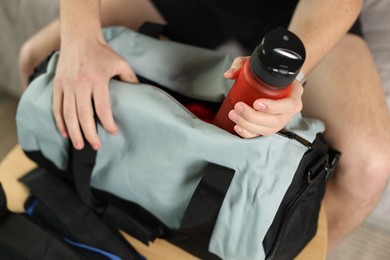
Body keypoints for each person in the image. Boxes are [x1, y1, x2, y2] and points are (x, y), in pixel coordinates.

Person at [19, 0, 390, 252]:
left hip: (291, 10)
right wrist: (80, 40)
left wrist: (297, 74)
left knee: (368, 167)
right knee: (39, 60)